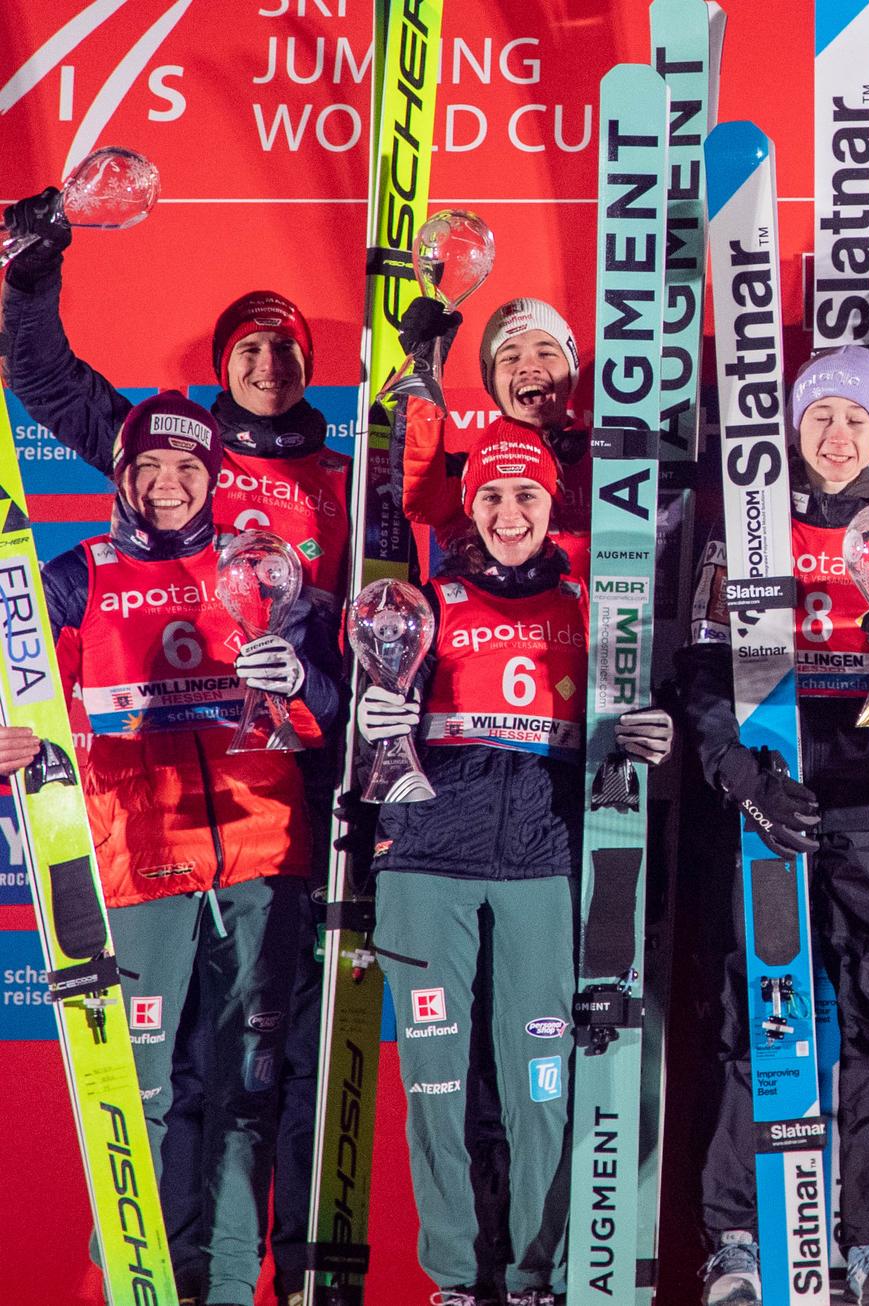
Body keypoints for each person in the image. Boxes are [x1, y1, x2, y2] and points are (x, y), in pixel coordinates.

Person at [4, 190, 353, 1306]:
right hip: (144, 827)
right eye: (246, 348)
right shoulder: (145, 473)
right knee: (155, 1078)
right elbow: (45, 377)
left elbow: (360, 649)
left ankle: (265, 1275)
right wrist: (32, 273)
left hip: (277, 811)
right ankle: (153, 1274)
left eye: (284, 350)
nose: (266, 365)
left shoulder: (341, 484)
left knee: (261, 1069)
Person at [353, 425, 673, 1306]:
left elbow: (630, 721)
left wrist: (653, 733)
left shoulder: (591, 605)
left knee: (541, 1085)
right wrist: (371, 721)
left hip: (541, 862)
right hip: (426, 860)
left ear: (549, 507)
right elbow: (366, 728)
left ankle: (539, 1276)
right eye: (490, 496)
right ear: (470, 509)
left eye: (525, 495)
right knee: (437, 1086)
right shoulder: (425, 602)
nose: (507, 513)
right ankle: (457, 1279)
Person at [678, 345, 869, 1306]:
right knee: (757, 1012)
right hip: (774, 795)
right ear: (794, 428)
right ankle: (737, 1240)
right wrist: (736, 772)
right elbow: (702, 668)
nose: (837, 436)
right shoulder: (747, 528)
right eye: (821, 418)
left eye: (855, 420)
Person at [399, 296, 594, 577]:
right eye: (510, 357)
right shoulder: (472, 475)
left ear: (570, 369)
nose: (528, 367)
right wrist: (424, 372)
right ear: (491, 381)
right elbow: (419, 491)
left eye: (546, 353)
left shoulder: (606, 464)